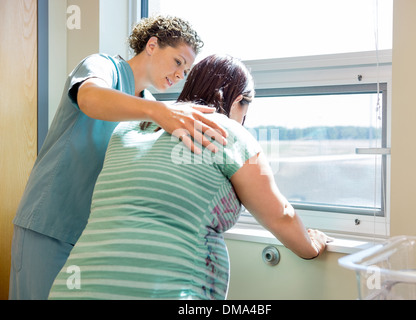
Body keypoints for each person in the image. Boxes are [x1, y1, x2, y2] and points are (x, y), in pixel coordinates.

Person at [48, 54, 330, 300]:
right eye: (246, 107)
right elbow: (279, 214)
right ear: (239, 100)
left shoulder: (130, 128)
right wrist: (311, 247)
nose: (244, 118)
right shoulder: (226, 131)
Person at [9, 15, 227, 300]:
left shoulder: (151, 107)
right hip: (50, 223)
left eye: (185, 71)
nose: (179, 75)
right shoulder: (103, 67)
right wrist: (159, 112)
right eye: (177, 62)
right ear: (152, 45)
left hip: (94, 238)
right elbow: (90, 98)